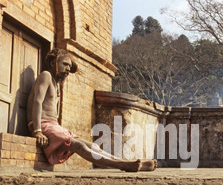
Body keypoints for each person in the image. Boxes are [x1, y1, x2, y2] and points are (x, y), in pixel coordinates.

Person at [26, 48, 157, 172]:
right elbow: (37, 102)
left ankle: (126, 162)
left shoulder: (57, 84)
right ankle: (122, 165)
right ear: (52, 62)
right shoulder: (46, 75)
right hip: (43, 125)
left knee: (90, 145)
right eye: (65, 64)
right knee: (78, 145)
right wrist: (37, 131)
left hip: (54, 126)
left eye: (69, 67)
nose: (67, 69)